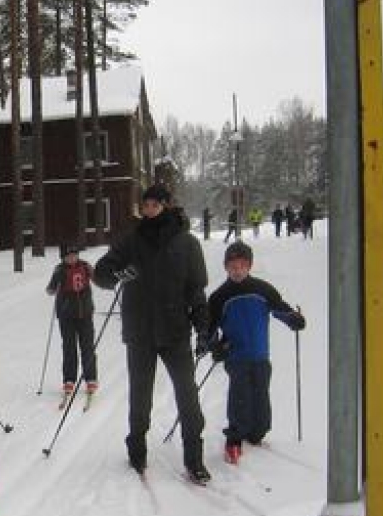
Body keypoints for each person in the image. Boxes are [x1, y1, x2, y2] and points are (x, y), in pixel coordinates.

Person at [94, 183, 212, 483]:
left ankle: (194, 458)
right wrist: (119, 274)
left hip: (175, 331)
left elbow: (196, 290)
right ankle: (137, 450)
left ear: (166, 205)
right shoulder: (131, 241)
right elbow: (101, 273)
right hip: (140, 332)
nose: (149, 210)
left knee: (188, 396)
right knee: (140, 397)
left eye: (154, 205)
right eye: (145, 205)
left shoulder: (186, 243)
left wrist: (203, 328)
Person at [207, 241, 306, 464]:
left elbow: (280, 308)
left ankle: (257, 432)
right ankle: (234, 438)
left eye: (242, 265)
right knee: (240, 396)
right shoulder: (220, 296)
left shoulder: (262, 289)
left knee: (261, 394)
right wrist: (214, 347)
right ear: (226, 267)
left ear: (249, 265)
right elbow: (210, 326)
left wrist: (293, 318)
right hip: (236, 355)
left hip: (260, 354)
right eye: (233, 266)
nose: (237, 270)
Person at [45, 243, 97, 398]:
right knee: (69, 348)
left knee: (87, 346)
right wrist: (54, 287)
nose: (72, 258)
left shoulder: (86, 266)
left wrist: (103, 277)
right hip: (66, 315)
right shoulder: (59, 270)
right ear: (63, 257)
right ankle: (69, 379)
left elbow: (98, 279)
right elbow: (50, 289)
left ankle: (91, 378)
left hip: (85, 314)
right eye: (68, 256)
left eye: (74, 255)